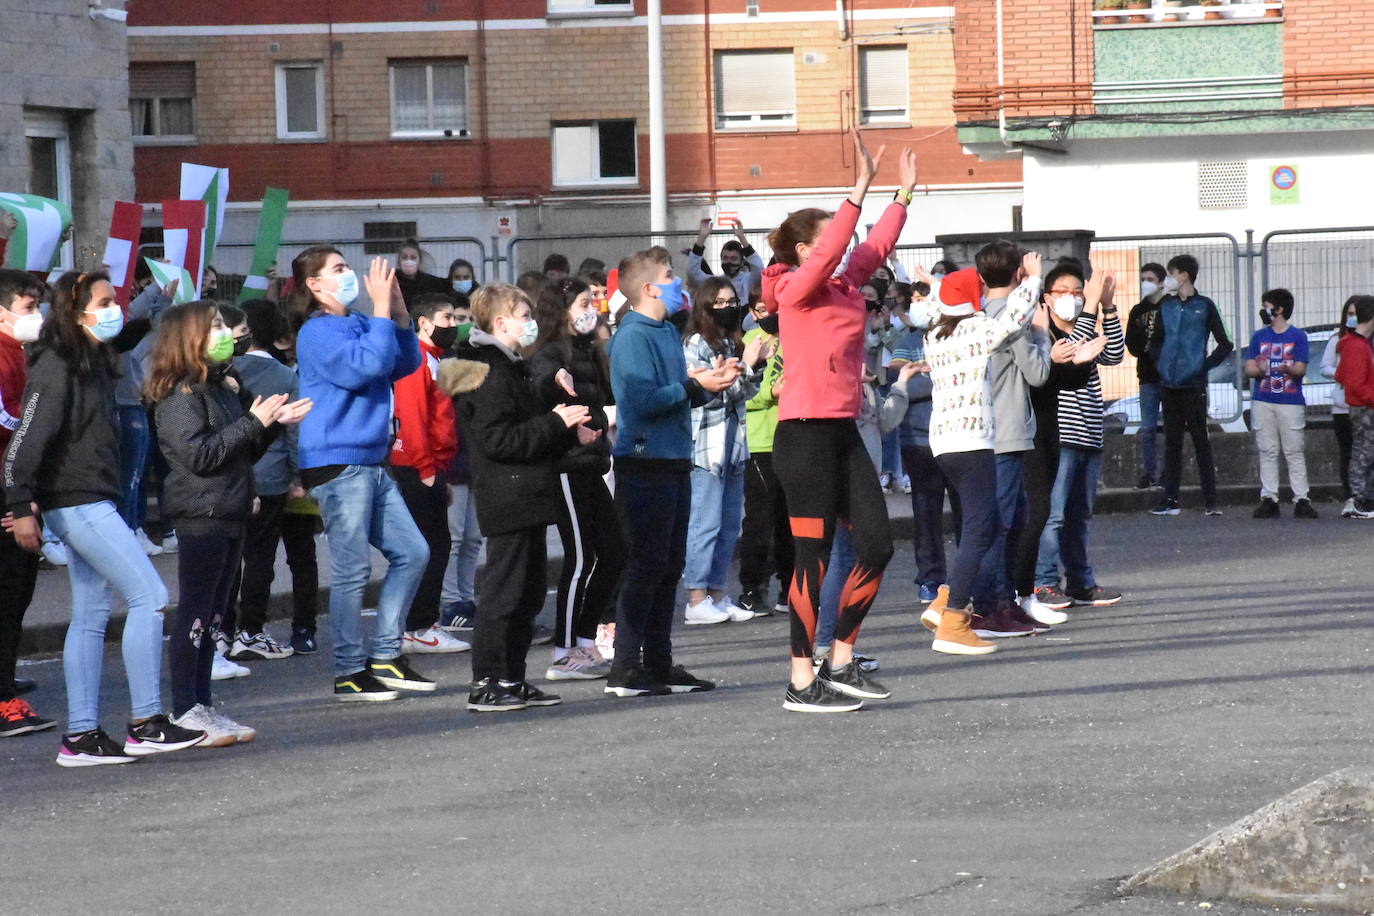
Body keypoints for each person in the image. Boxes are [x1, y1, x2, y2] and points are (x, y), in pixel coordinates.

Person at [5, 272, 206, 765]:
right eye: (106, 301)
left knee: (92, 614)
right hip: (76, 502)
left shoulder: (92, 361)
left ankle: (82, 736)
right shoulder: (56, 365)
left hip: (92, 497)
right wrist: (16, 504)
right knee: (150, 595)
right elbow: (24, 443)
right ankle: (145, 721)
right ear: (76, 314)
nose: (115, 308)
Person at [761, 130, 915, 712]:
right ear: (803, 249)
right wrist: (859, 189)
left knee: (876, 545)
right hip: (801, 436)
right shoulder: (793, 290)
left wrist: (901, 196)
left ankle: (841, 658)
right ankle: (801, 680)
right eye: (826, 236)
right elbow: (833, 250)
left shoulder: (844, 285)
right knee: (813, 557)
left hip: (841, 430)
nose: (838, 244)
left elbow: (868, 250)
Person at [146, 301, 310, 746]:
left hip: (232, 507)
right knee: (197, 614)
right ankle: (186, 707)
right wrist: (255, 419)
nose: (226, 334)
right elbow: (200, 456)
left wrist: (271, 423)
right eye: (215, 326)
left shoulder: (219, 386)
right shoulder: (180, 393)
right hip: (202, 511)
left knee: (215, 615)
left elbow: (244, 451)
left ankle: (203, 705)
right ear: (191, 337)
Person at [292, 247, 435, 701]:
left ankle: (386, 656)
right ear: (314, 285)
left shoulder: (358, 321)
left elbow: (404, 363)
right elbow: (365, 368)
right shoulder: (316, 332)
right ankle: (350, 670)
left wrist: (397, 312)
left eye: (345, 267)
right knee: (352, 571)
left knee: (413, 552)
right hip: (337, 459)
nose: (348, 275)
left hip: (371, 460)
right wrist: (378, 312)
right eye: (337, 270)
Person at [440, 283, 587, 711]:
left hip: (525, 494)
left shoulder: (510, 365)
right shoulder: (488, 369)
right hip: (507, 496)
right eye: (523, 315)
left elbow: (527, 427)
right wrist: (554, 424)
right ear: (500, 322)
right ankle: (486, 680)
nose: (530, 323)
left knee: (527, 593)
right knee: (504, 594)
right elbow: (499, 440)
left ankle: (512, 676)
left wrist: (567, 427)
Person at [606, 247, 738, 698]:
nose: (676, 283)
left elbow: (675, 396)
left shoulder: (664, 331)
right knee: (644, 566)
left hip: (674, 457)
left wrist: (709, 385)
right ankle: (625, 669)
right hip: (643, 462)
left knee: (668, 566)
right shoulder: (632, 335)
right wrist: (691, 386)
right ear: (648, 288)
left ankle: (658, 663)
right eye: (667, 276)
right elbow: (640, 402)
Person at [925, 241, 1055, 638]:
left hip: (945, 441)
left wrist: (934, 286)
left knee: (986, 525)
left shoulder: (936, 336)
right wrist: (1032, 282)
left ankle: (963, 605)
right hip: (977, 439)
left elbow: (936, 307)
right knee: (986, 528)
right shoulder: (976, 330)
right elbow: (1013, 321)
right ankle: (957, 609)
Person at [528, 277, 622, 681]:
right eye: (584, 302)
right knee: (580, 558)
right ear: (562, 309)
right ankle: (564, 652)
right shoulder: (551, 351)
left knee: (616, 552)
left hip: (592, 464)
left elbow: (599, 401)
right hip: (567, 467)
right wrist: (557, 384)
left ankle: (586, 641)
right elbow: (546, 377)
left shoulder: (588, 349)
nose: (591, 309)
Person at [1032, 262, 1126, 609]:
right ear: (1047, 297)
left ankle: (1081, 582)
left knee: (1079, 515)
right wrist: (1089, 306)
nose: (1073, 298)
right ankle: (1043, 582)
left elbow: (1114, 353)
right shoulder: (1045, 333)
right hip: (1061, 435)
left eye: (1078, 291)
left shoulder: (1086, 327)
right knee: (1052, 515)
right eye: (1064, 292)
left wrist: (1109, 307)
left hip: (1090, 433)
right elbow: (1071, 351)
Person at [681, 277, 769, 626]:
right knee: (706, 522)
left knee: (730, 525)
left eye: (732, 300)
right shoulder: (695, 344)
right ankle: (696, 597)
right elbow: (709, 392)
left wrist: (753, 367)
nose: (727, 307)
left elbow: (744, 392)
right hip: (705, 446)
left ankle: (717, 593)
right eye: (719, 301)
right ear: (704, 305)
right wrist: (745, 366)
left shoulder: (730, 342)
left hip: (734, 445)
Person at [391, 292, 470, 654]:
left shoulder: (435, 359)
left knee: (435, 545)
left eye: (455, 318)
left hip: (431, 467)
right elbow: (412, 419)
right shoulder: (417, 360)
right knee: (432, 546)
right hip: (415, 467)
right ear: (423, 322)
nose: (453, 324)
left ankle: (420, 622)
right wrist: (427, 469)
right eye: (446, 317)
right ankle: (418, 625)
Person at [0, 268, 53, 737]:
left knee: (17, 595)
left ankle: (5, 677)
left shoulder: (19, 352)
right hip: (5, 489)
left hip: (14, 485)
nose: (37, 316)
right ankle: (2, 701)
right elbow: (11, 423)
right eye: (28, 307)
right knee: (7, 593)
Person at [1148, 254, 1232, 517]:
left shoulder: (1205, 305)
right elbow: (1155, 341)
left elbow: (1225, 342)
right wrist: (1161, 365)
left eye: (1172, 274)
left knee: (1200, 441)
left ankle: (1211, 501)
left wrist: (1202, 366)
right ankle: (1170, 499)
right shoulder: (1166, 306)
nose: (1169, 279)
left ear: (1184, 275)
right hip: (1169, 385)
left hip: (1194, 385)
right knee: (1172, 442)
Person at [737, 309, 791, 617]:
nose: (768, 314)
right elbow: (738, 394)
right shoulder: (750, 342)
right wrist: (770, 393)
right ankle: (750, 589)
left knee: (790, 522)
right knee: (759, 521)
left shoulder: (798, 339)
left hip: (791, 438)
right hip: (758, 442)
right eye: (760, 308)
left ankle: (789, 589)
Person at [1245, 288, 1316, 519]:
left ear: (1279, 309)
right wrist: (1261, 369)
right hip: (1263, 399)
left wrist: (1287, 368)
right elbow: (1249, 368)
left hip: (1290, 400)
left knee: (1294, 450)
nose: (1264, 310)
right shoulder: (1258, 337)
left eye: (1267, 306)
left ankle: (1301, 498)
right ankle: (1269, 497)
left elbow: (1300, 368)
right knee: (1267, 449)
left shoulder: (1297, 336)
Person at [438, 294, 483, 631]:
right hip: (453, 463)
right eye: (452, 317)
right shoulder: (445, 363)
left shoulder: (475, 359)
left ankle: (466, 598)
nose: (458, 324)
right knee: (453, 537)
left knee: (472, 538)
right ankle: (450, 601)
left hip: (474, 460)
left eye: (463, 317)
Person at [1125, 263, 1167, 489]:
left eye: (1150, 279)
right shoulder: (1137, 311)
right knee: (1148, 427)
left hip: (1169, 376)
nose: (1145, 283)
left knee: (1171, 426)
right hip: (1147, 376)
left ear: (1161, 282)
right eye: (1143, 278)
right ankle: (1149, 472)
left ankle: (1168, 472)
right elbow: (1130, 342)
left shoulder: (1170, 307)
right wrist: (1145, 348)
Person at [1335, 295, 1374, 519]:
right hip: (1365, 407)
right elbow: (1355, 383)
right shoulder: (1359, 347)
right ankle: (1360, 499)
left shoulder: (1351, 344)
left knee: (1364, 452)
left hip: (1359, 406)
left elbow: (1342, 374)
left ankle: (1362, 498)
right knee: (1364, 454)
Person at [1324, 296, 1358, 515]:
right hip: (1342, 406)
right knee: (1347, 452)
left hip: (1367, 405)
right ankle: (1350, 497)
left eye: (1356, 314)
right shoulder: (1337, 339)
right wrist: (1341, 374)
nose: (1352, 318)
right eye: (1349, 313)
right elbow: (1324, 367)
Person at [688, 217, 764, 306]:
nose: (729, 262)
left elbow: (759, 269)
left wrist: (742, 238)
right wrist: (701, 238)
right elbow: (693, 273)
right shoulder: (716, 282)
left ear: (742, 262)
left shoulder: (748, 280)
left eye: (734, 258)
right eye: (725, 258)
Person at [395, 238, 452, 307]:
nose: (408, 261)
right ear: (398, 261)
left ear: (420, 261)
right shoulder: (392, 280)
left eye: (413, 258)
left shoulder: (430, 282)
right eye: (404, 257)